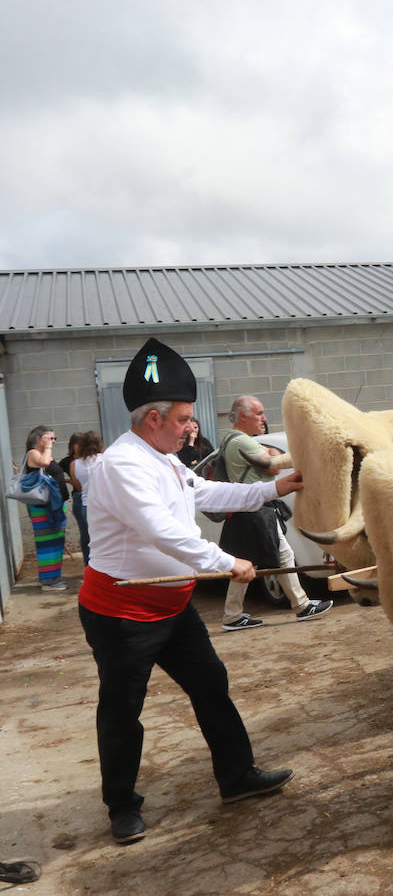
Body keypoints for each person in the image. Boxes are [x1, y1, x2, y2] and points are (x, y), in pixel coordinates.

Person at [80, 338, 301, 845]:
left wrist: (271, 490)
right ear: (153, 418)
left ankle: (237, 777)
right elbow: (163, 531)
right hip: (123, 612)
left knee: (211, 685)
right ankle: (122, 806)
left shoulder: (166, 458)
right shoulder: (123, 464)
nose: (190, 427)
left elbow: (205, 493)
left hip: (172, 605)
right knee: (122, 710)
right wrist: (227, 562)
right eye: (182, 419)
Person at [218, 395, 331, 631]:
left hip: (249, 510)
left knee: (261, 559)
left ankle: (234, 615)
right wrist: (268, 452)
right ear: (242, 415)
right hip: (257, 510)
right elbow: (275, 468)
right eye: (258, 413)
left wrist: (268, 451)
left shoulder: (231, 439)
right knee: (275, 557)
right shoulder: (244, 442)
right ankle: (300, 606)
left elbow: (270, 464)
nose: (264, 418)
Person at [23, 425, 69, 589]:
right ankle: (48, 581)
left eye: (54, 438)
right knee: (47, 543)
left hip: (53, 505)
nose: (53, 441)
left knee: (56, 541)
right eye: (50, 438)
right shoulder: (33, 453)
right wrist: (48, 448)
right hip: (42, 507)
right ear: (38, 439)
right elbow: (44, 463)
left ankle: (54, 577)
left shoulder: (43, 453)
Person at [70, 431, 104, 565]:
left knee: (89, 538)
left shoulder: (74, 464)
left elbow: (78, 486)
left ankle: (89, 567)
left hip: (86, 504)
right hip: (102, 505)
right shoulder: (105, 459)